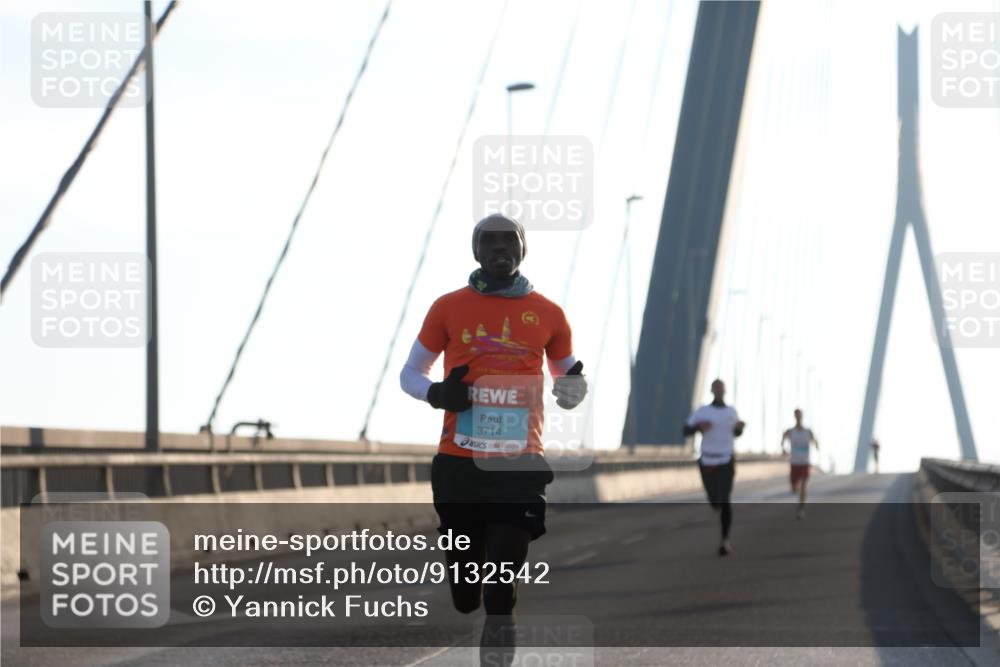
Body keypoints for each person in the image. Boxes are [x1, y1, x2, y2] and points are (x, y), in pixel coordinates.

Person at [400, 213, 587, 665]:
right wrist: (437, 393)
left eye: (510, 242)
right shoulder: (447, 307)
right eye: (491, 242)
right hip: (458, 464)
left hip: (518, 464)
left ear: (522, 250)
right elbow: (411, 373)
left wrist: (573, 390)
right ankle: (463, 575)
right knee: (468, 595)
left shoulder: (550, 314)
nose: (500, 249)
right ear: (476, 251)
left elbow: (569, 386)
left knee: (501, 588)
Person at [684, 379, 745, 556]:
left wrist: (740, 428)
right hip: (707, 460)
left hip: (726, 459)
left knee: (725, 499)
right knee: (714, 501)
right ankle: (715, 504)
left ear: (725, 390)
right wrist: (698, 426)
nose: (718, 390)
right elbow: (685, 430)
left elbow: (736, 433)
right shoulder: (703, 411)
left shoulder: (731, 412)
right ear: (711, 390)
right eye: (716, 387)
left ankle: (724, 540)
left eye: (721, 388)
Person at [780, 408, 819, 519]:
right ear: (794, 416)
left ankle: (801, 509)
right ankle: (794, 487)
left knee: (803, 485)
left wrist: (816, 445)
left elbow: (815, 440)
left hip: (804, 463)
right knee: (794, 487)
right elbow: (783, 438)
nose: (798, 417)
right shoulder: (790, 431)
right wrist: (782, 447)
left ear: (802, 416)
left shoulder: (808, 431)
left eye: (799, 415)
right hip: (794, 463)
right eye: (796, 415)